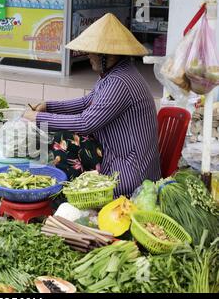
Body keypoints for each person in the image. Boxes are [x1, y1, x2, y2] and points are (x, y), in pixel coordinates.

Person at [24, 13, 161, 197]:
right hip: (117, 156)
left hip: (130, 172)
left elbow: (86, 123)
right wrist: (48, 106)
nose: (88, 56)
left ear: (108, 55)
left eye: (92, 51)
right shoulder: (113, 76)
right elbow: (86, 103)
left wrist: (39, 118)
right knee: (64, 137)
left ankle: (64, 200)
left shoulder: (120, 82)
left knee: (64, 143)